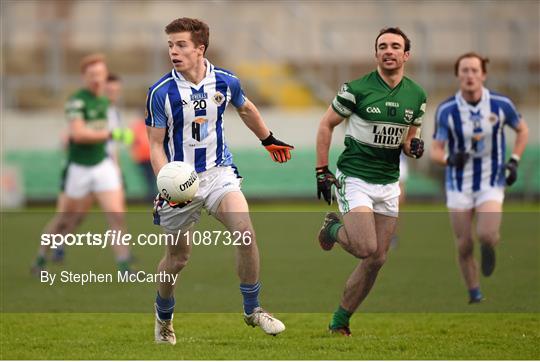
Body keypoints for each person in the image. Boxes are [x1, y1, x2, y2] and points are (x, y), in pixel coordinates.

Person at [146, 18, 293, 345]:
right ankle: (163, 317)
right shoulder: (160, 92)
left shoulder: (226, 81)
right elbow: (155, 145)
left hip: (218, 174)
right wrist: (165, 183)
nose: (174, 51)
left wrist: (268, 140)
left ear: (200, 48)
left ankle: (253, 309)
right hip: (179, 183)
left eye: (181, 44)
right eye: (170, 45)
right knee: (178, 259)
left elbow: (246, 108)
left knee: (244, 231)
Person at [315, 27, 427, 336]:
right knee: (366, 247)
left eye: (395, 46)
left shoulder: (417, 95)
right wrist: (321, 170)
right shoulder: (356, 89)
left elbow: (409, 139)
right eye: (382, 46)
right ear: (375, 54)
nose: (388, 51)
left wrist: (412, 147)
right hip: (356, 178)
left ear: (406, 55)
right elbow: (326, 125)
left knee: (377, 258)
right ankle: (332, 227)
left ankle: (340, 321)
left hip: (388, 183)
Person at [430, 52, 529, 304]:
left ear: (483, 74)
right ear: (458, 75)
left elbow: (522, 130)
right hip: (458, 184)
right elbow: (436, 151)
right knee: (463, 244)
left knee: (486, 234)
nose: (470, 75)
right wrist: (450, 160)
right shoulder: (447, 110)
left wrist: (514, 160)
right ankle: (474, 292)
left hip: (491, 180)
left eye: (474, 70)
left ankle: (489, 247)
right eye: (464, 70)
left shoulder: (500, 104)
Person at [31, 55, 134, 274]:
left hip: (102, 166)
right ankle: (41, 258)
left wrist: (116, 167)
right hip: (79, 167)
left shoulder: (106, 103)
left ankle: (124, 266)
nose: (97, 79)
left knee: (116, 215)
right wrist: (112, 134)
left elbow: (109, 144)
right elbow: (78, 134)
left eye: (100, 74)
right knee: (65, 219)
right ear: (84, 77)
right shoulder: (77, 101)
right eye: (92, 75)